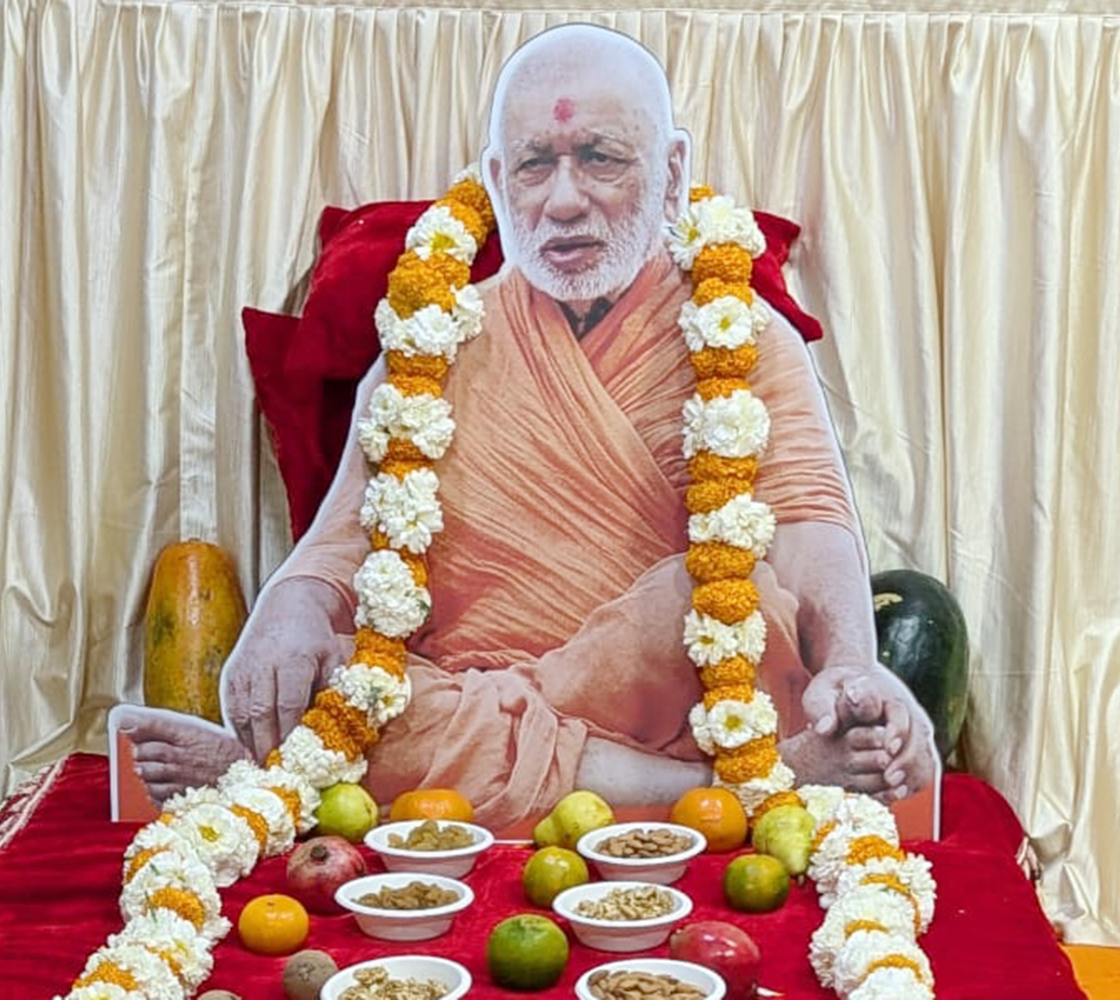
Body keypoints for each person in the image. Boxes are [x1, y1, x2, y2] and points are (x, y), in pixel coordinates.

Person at [121, 24, 937, 827]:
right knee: (341, 681)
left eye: (600, 159)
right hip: (465, 687)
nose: (564, 200)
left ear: (672, 171)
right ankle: (715, 792)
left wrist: (849, 666)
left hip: (670, 692)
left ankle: (350, 777)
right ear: (495, 180)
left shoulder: (744, 334)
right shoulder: (431, 343)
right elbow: (343, 547)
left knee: (718, 600)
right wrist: (290, 609)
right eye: (535, 165)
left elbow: (805, 521)